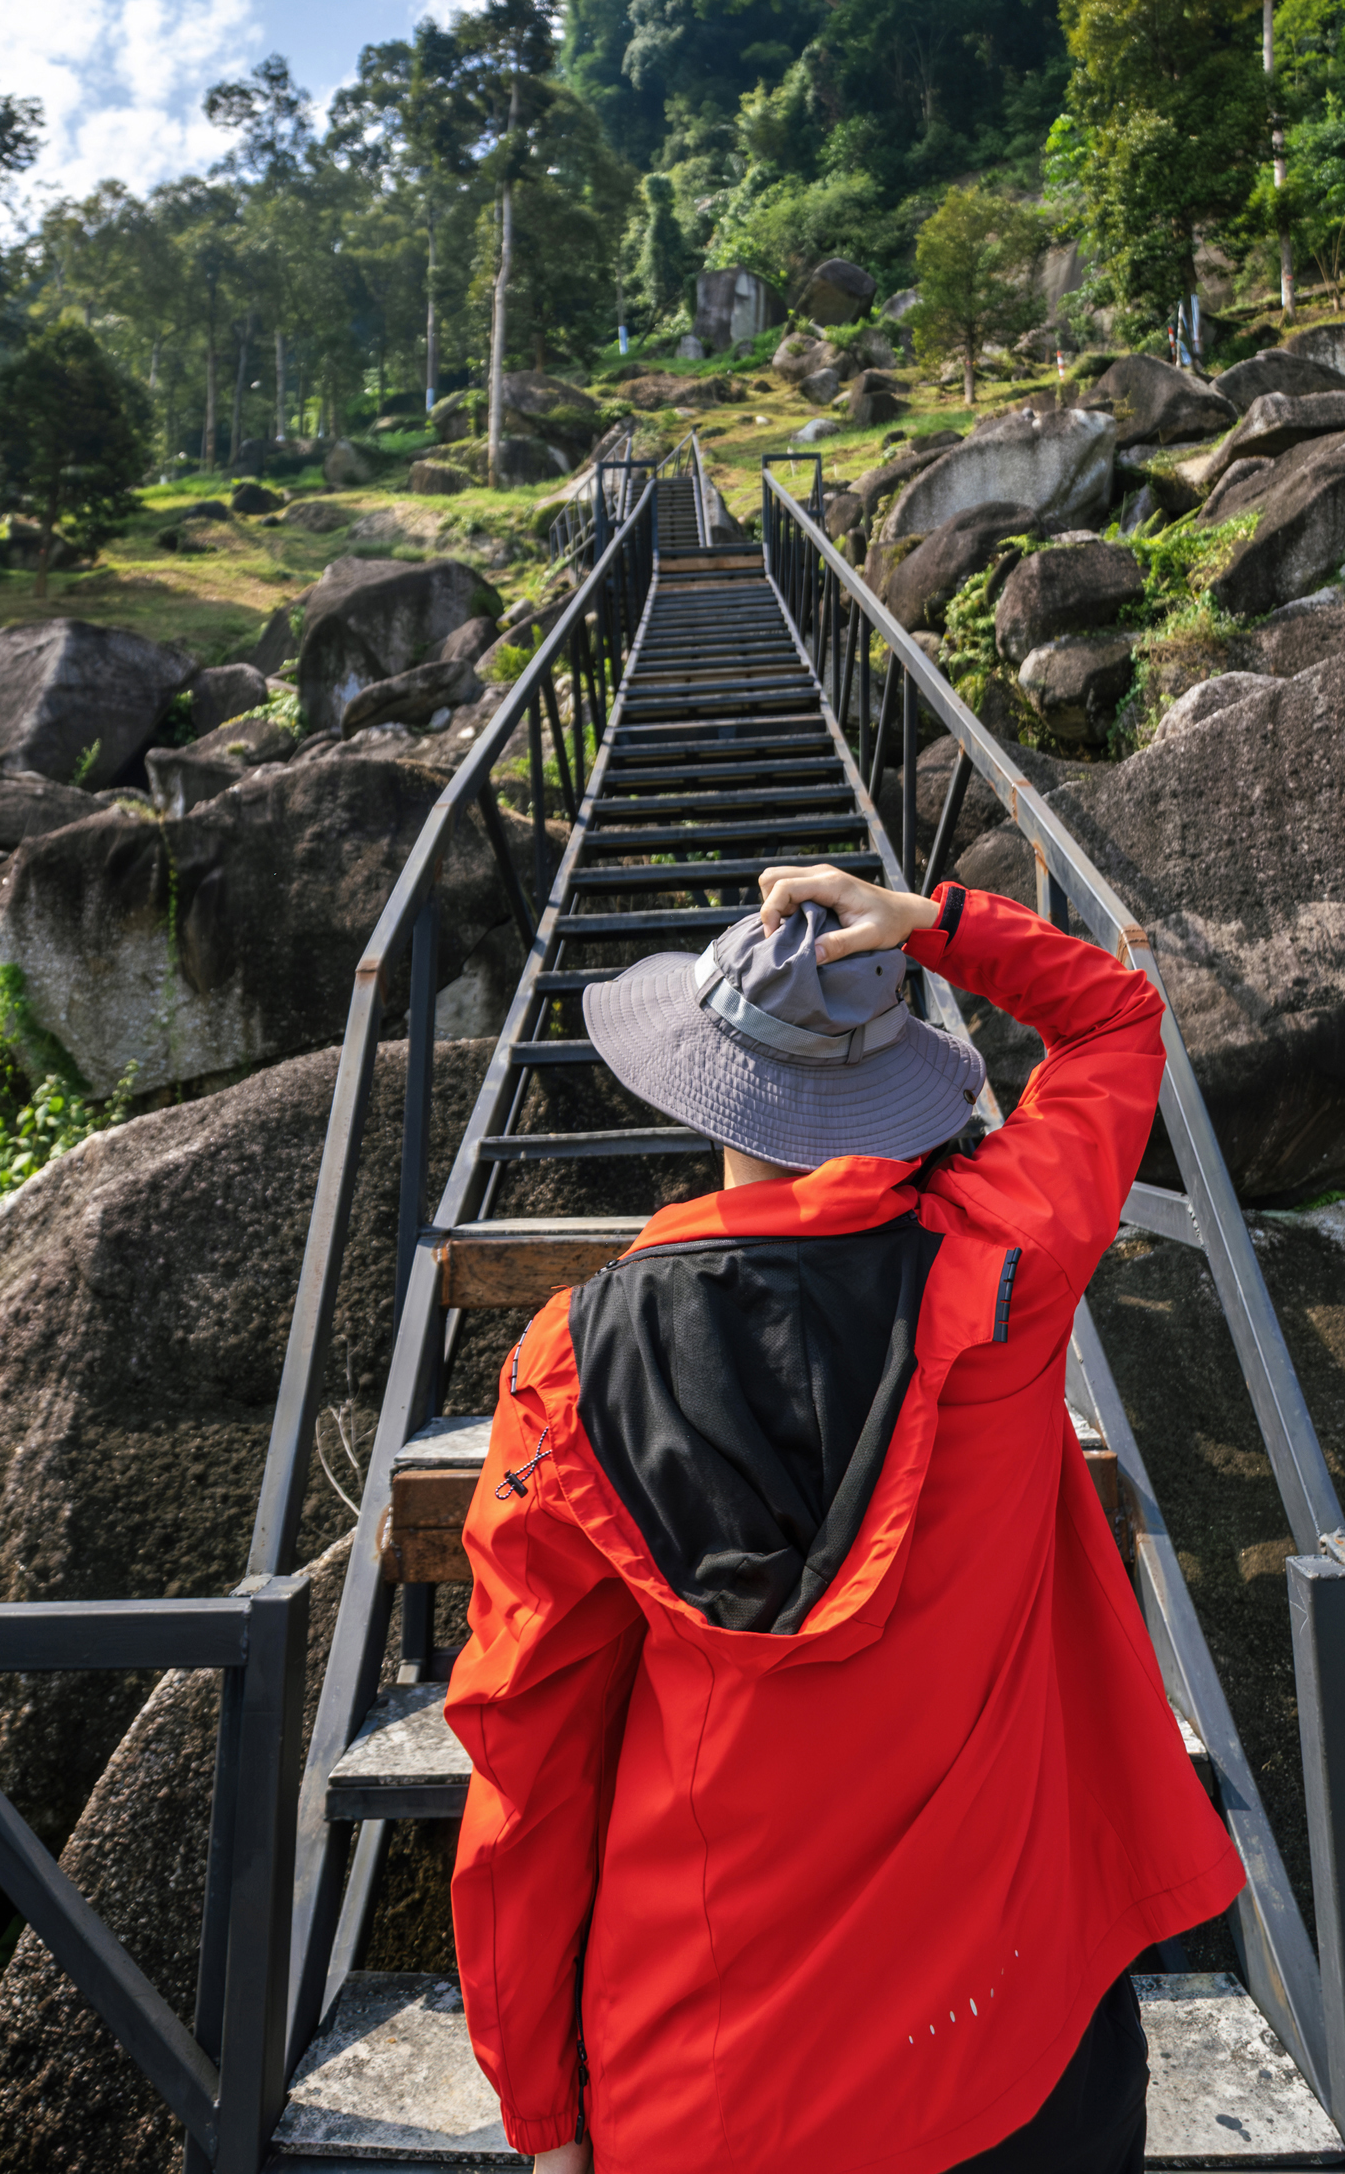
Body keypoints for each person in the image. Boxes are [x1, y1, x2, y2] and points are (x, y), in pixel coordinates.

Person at [444, 862, 1246, 2174]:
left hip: (718, 2088)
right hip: (1013, 2041)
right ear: (890, 1087)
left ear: (696, 1077)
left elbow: (526, 1759)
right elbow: (1115, 1016)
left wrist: (542, 2110)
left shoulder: (570, 1364)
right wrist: (935, 922)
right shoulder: (1011, 1264)